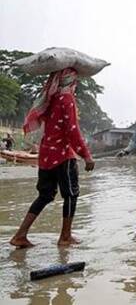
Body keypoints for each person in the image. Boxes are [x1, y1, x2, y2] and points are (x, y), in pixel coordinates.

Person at [10, 68, 95, 249]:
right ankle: (65, 236)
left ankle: (20, 235)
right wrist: (86, 155)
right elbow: (72, 131)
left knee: (45, 195)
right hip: (63, 155)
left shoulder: (50, 100)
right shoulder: (67, 99)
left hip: (46, 155)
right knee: (71, 195)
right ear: (70, 82)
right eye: (74, 81)